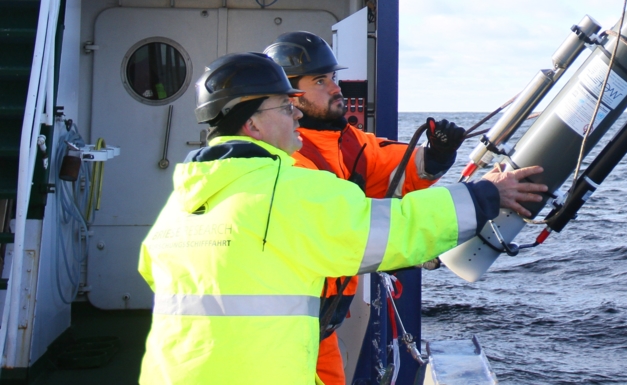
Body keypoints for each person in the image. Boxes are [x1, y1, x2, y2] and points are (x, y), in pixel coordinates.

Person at [138, 52, 545, 385]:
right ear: (253, 124)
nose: (295, 113)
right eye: (285, 106)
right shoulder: (287, 189)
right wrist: (483, 196)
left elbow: (154, 271)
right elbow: (394, 229)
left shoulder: (182, 200)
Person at [263, 30, 467, 385]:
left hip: (321, 326)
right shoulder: (284, 156)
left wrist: (436, 156)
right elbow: (345, 234)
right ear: (290, 96)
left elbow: (396, 168)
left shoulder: (347, 142)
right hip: (278, 328)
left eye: (334, 78)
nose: (335, 88)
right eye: (321, 81)